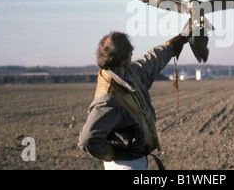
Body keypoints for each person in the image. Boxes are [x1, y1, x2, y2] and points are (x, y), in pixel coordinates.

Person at [78, 31, 189, 170]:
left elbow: (152, 59)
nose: (132, 55)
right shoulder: (108, 97)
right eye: (130, 52)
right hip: (124, 165)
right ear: (123, 58)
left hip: (136, 160)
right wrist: (111, 154)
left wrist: (178, 41)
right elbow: (88, 139)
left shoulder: (129, 73)